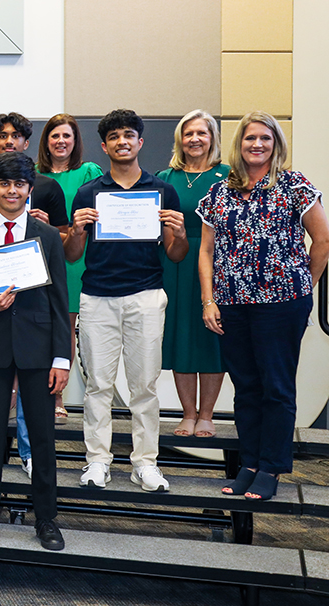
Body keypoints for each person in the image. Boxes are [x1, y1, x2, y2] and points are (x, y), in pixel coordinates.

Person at [200, 111, 329, 501]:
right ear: (239, 145)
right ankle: (250, 463)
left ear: (276, 144)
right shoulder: (221, 191)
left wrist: (304, 287)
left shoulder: (294, 185)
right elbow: (206, 251)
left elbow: (322, 240)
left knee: (276, 388)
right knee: (246, 388)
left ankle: (271, 467)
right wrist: (209, 300)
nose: (257, 145)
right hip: (232, 304)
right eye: (249, 139)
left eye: (265, 139)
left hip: (282, 304)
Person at [65, 109, 188, 492]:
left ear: (140, 142)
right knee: (98, 385)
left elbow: (177, 254)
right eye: (114, 136)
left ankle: (145, 463)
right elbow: (71, 255)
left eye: (129, 135)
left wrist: (180, 233)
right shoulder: (90, 192)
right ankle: (98, 460)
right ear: (104, 146)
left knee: (144, 386)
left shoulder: (162, 191)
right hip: (97, 297)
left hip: (146, 296)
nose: (122, 141)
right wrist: (77, 230)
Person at [0, 152, 69, 551]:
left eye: (19, 184)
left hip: (39, 350)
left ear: (29, 190)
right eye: (4, 184)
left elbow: (59, 302)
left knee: (41, 438)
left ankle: (47, 519)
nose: (12, 191)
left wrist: (62, 358)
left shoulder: (49, 236)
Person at [156, 110, 229, 438]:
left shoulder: (230, 176)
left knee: (211, 338)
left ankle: (208, 414)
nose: (195, 139)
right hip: (175, 263)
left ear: (212, 137)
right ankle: (188, 413)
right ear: (180, 140)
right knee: (182, 335)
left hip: (217, 263)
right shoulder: (165, 178)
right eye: (189, 134)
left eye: (202, 133)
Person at [36, 113, 105, 422]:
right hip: (41, 261)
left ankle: (57, 397)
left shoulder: (89, 171)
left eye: (67, 136)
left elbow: (96, 219)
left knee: (66, 330)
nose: (61, 141)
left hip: (77, 259)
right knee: (44, 331)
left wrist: (54, 227)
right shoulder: (33, 174)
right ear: (45, 142)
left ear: (76, 141)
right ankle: (44, 394)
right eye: (55, 136)